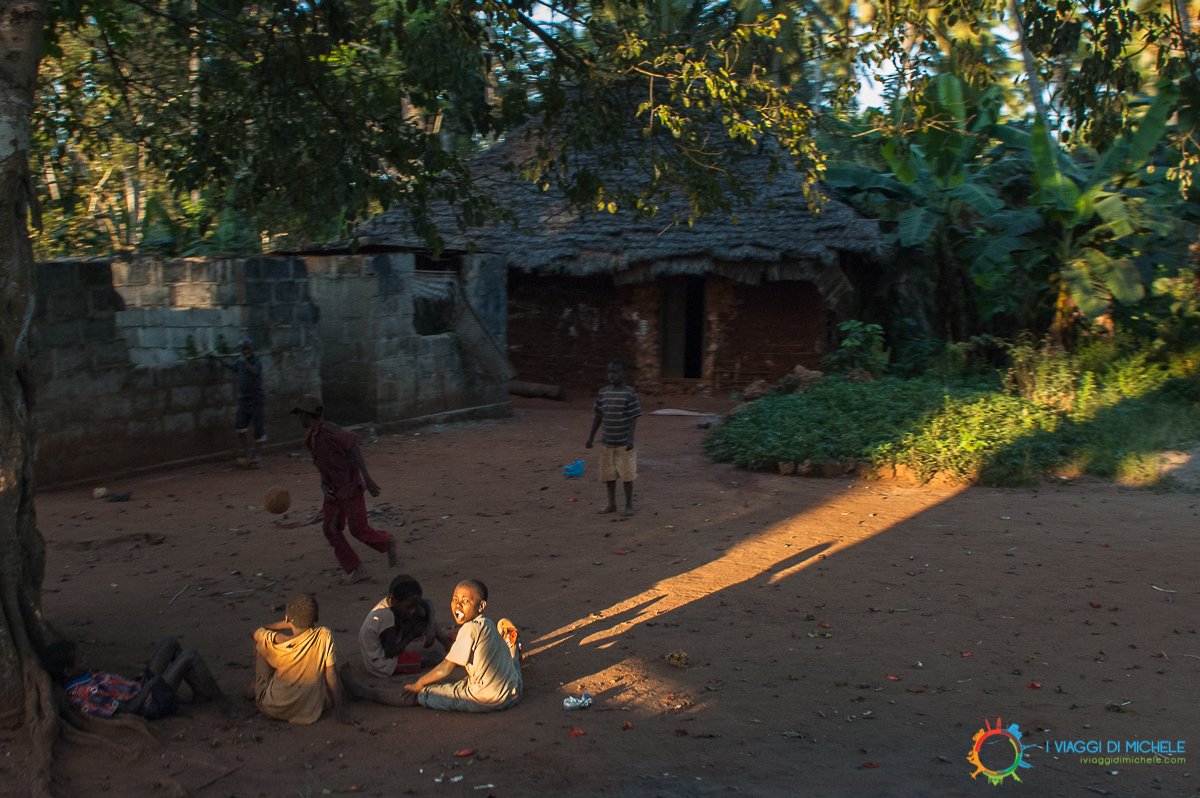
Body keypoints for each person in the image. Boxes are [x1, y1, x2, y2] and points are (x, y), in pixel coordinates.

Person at [340, 579, 522, 713]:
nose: (458, 605)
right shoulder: (486, 623)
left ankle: (363, 692)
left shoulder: (469, 630)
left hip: (486, 698)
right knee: (508, 650)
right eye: (455, 599)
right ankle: (513, 648)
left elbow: (445, 669)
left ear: (481, 606)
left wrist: (419, 683)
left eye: (465, 601)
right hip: (514, 689)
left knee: (418, 695)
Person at [291, 393, 398, 583]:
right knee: (331, 529)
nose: (299, 419)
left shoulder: (331, 433)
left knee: (358, 529)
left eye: (301, 415)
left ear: (311, 415)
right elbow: (323, 465)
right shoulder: (312, 438)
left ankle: (387, 541)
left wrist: (368, 478)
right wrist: (324, 485)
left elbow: (353, 447)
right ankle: (356, 568)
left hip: (349, 488)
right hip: (332, 491)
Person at [43, 636, 230, 719]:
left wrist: (145, 684)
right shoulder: (85, 693)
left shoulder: (83, 676)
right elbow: (128, 710)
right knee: (190, 656)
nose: (85, 660)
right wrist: (150, 686)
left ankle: (201, 694)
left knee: (169, 643)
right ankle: (223, 705)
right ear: (68, 671)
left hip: (142, 687)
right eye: (80, 660)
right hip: (151, 703)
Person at [252, 592, 349, 725]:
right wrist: (340, 712)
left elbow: (257, 631)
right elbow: (331, 675)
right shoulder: (324, 635)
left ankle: (259, 687)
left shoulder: (270, 639)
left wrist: (281, 626)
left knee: (260, 645)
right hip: (311, 710)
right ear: (316, 618)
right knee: (324, 690)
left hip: (272, 707)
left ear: (287, 618)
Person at [359, 574, 452, 677]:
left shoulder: (394, 602)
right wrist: (412, 635)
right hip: (383, 664)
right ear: (393, 600)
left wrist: (430, 625)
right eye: (408, 607)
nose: (412, 610)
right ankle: (451, 655)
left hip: (387, 647)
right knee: (434, 657)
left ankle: (449, 646)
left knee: (422, 612)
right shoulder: (386, 615)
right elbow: (390, 652)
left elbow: (427, 603)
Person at [585, 358, 642, 516]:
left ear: (623, 374)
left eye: (615, 372)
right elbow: (598, 416)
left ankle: (629, 504)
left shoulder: (629, 393)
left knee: (627, 475)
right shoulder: (603, 393)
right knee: (609, 475)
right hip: (607, 442)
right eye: (609, 372)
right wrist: (591, 437)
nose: (611, 375)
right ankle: (611, 503)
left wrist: (630, 438)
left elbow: (633, 417)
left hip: (624, 443)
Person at [209, 337, 266, 467]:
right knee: (240, 426)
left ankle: (257, 456)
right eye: (243, 349)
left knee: (259, 429)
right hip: (244, 400)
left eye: (247, 348)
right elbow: (231, 366)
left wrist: (246, 363)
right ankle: (247, 453)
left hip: (257, 399)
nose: (245, 350)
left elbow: (256, 372)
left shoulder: (256, 361)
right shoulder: (239, 362)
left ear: (251, 349)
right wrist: (216, 357)